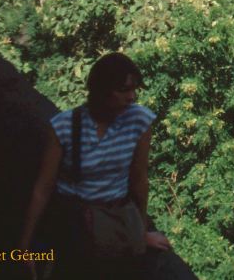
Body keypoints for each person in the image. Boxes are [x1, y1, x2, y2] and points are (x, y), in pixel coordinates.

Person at [18, 53, 172, 278]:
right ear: (102, 90)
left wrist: (140, 233)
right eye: (123, 90)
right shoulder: (66, 126)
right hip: (74, 223)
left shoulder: (138, 120)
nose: (132, 97)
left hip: (115, 220)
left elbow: (139, 181)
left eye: (134, 89)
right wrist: (24, 245)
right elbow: (44, 187)